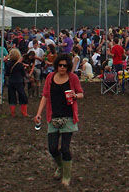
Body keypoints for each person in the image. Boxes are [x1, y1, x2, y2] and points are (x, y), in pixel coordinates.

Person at [34, 53, 84, 187]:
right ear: (56, 65)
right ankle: (60, 166)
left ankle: (66, 176)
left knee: (65, 149)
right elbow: (45, 96)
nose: (62, 68)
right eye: (60, 65)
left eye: (65, 66)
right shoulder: (50, 77)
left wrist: (75, 95)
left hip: (68, 117)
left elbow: (81, 93)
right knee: (52, 148)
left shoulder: (73, 78)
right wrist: (39, 113)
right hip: (53, 116)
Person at [5, 48, 29, 117]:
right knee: (22, 96)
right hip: (19, 82)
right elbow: (23, 74)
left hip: (11, 81)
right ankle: (24, 113)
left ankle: (13, 113)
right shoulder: (20, 65)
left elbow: (7, 73)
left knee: (12, 97)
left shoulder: (8, 64)